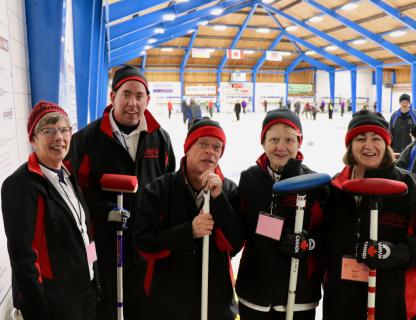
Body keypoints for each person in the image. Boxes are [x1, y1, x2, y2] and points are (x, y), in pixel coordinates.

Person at [68, 65, 176, 320]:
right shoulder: (87, 139)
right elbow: (76, 191)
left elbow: (169, 183)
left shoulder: (159, 138)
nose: (132, 103)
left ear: (147, 100)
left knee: (143, 303)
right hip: (105, 241)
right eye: (126, 94)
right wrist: (104, 212)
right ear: (113, 96)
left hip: (146, 240)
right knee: (108, 302)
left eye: (139, 96)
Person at [324, 110, 416, 320]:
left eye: (376, 138)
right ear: (349, 145)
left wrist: (394, 252)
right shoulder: (333, 189)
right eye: (360, 138)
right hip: (342, 307)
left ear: (386, 144)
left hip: (398, 309)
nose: (368, 145)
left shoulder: (413, 189)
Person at [133, 118, 242, 320]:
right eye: (203, 144)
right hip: (167, 303)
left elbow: (235, 243)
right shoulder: (159, 189)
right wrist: (188, 232)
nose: (210, 151)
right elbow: (143, 241)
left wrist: (219, 200)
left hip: (215, 303)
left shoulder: (229, 190)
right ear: (187, 148)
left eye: (217, 147)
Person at [2, 101, 97, 320]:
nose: (59, 138)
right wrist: (38, 309)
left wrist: (95, 274)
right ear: (33, 139)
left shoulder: (67, 172)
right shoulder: (20, 186)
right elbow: (23, 258)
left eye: (64, 130)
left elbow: (85, 231)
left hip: (84, 290)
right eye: (48, 131)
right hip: (54, 302)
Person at [235, 108, 328, 320]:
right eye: (274, 139)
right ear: (263, 142)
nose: (281, 147)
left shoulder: (314, 183)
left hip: (298, 296)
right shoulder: (250, 178)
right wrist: (279, 233)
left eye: (289, 140)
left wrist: (307, 243)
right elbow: (247, 224)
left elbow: (326, 236)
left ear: (299, 143)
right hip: (254, 293)